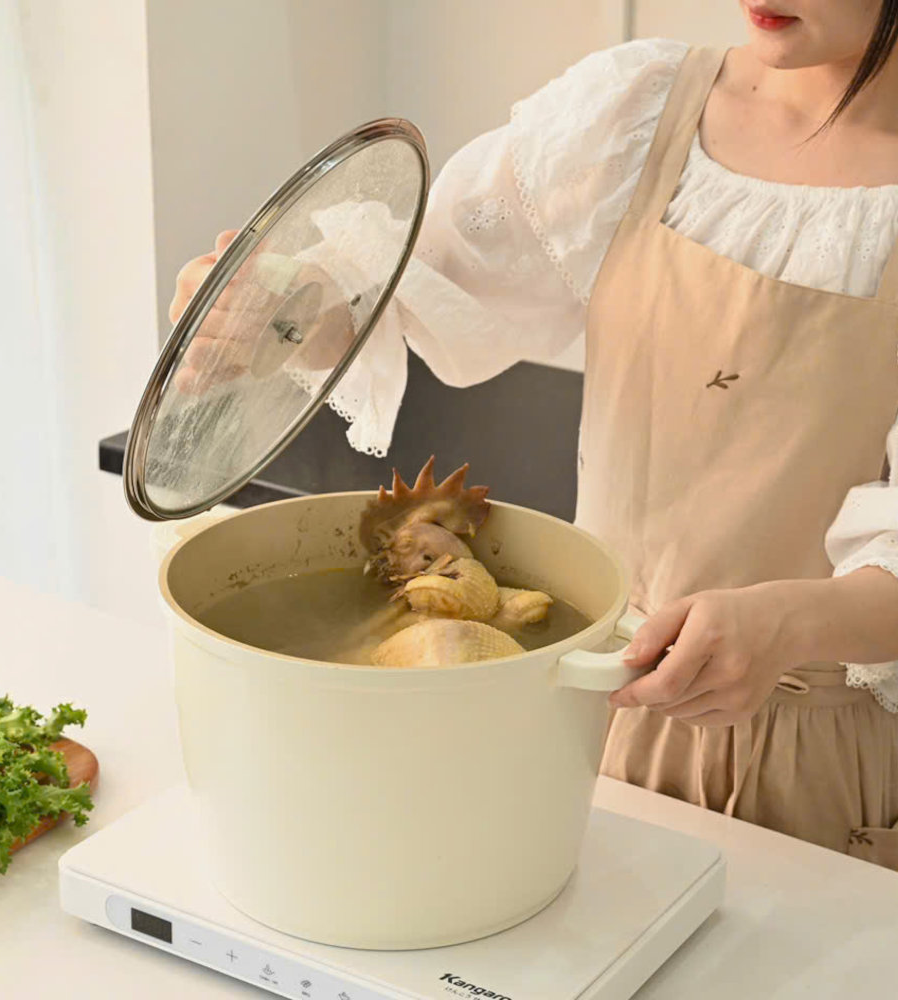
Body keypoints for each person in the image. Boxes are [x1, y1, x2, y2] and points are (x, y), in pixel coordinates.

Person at [169, 3, 898, 869]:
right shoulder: (639, 107)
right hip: (589, 699)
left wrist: (789, 624)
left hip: (819, 757)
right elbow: (421, 284)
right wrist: (280, 311)